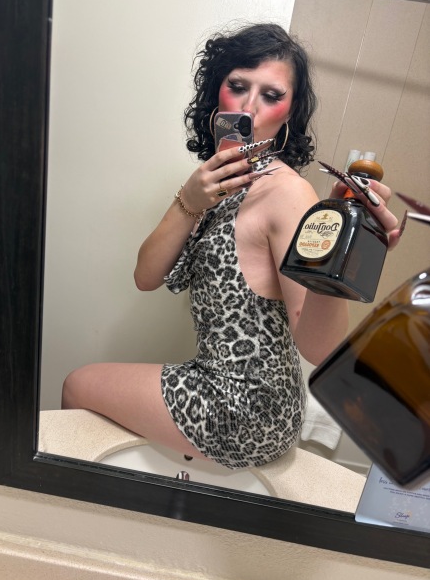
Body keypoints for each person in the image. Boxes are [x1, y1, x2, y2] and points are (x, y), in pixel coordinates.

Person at [62, 23, 401, 469]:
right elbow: (145, 276)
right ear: (216, 94)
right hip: (219, 382)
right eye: (238, 86)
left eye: (271, 95)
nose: (248, 107)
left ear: (289, 113)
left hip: (249, 407)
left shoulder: (287, 193)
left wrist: (345, 251)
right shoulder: (216, 184)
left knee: (76, 385)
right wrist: (189, 200)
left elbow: (319, 347)